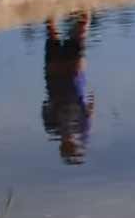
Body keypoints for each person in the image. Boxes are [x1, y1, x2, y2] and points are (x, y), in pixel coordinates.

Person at [41, 11, 96, 164]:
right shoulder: (52, 128)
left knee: (81, 27)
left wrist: (90, 100)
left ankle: (81, 2)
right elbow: (45, 106)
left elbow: (90, 109)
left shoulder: (82, 130)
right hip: (57, 79)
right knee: (52, 30)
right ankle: (55, 5)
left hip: (73, 77)